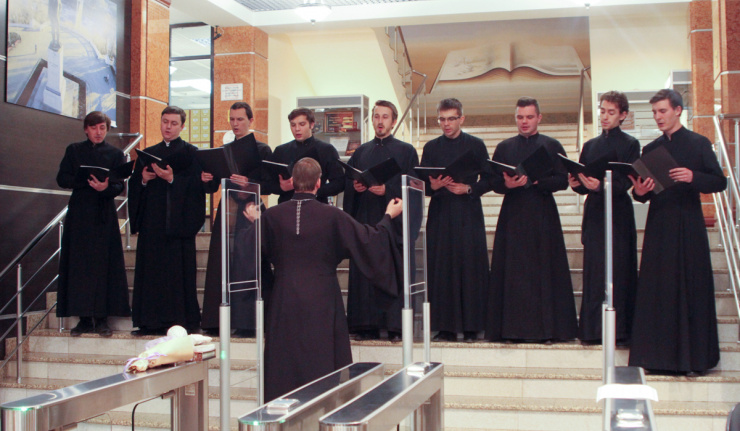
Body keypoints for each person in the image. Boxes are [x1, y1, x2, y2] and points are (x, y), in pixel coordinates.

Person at [261, 157, 402, 401]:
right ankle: (322, 408)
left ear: (292, 181)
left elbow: (249, 253)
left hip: (284, 297)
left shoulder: (271, 216)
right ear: (319, 183)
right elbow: (369, 240)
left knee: (285, 358)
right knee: (321, 356)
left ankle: (280, 411)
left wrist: (253, 221)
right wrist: (388, 216)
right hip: (322, 297)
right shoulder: (333, 215)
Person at [628, 89, 726, 375]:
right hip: (659, 224)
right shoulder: (650, 149)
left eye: (662, 111)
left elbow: (719, 182)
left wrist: (693, 176)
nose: (658, 117)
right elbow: (644, 193)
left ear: (678, 110)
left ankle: (692, 360)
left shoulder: (698, 143)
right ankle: (655, 358)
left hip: (688, 223)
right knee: (658, 288)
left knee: (689, 284)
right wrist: (639, 191)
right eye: (655, 112)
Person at [486, 97, 578, 343]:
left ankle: (547, 331)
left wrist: (538, 181)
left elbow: (563, 180)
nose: (524, 122)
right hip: (513, 214)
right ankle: (511, 330)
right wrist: (507, 184)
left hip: (542, 213)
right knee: (513, 271)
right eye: (520, 117)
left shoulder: (552, 145)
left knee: (544, 269)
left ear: (539, 117)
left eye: (529, 117)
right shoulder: (504, 147)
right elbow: (493, 181)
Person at [343, 100, 419, 342]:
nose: (380, 121)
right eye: (376, 116)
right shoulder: (361, 152)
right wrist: (355, 186)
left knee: (393, 271)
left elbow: (413, 186)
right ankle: (365, 325)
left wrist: (387, 189)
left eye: (385, 117)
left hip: (393, 221)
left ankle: (396, 327)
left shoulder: (406, 151)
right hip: (366, 219)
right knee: (365, 270)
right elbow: (349, 183)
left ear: (393, 121)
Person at [568, 91, 640, 345]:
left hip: (618, 212)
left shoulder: (631, 144)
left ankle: (620, 331)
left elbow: (627, 181)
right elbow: (583, 180)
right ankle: (592, 331)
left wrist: (602, 185)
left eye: (611, 112)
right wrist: (576, 183)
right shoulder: (590, 145)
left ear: (623, 115)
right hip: (596, 212)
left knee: (619, 268)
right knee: (594, 270)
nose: (605, 117)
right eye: (602, 111)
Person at [128, 106, 205, 336]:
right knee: (151, 273)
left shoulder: (192, 154)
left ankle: (181, 321)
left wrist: (172, 179)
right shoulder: (148, 153)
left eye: (173, 123)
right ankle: (150, 322)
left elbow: (197, 188)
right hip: (152, 225)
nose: (168, 127)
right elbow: (135, 186)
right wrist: (143, 179)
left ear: (182, 126)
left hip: (178, 226)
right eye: (165, 122)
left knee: (177, 274)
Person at [418, 98, 490, 342]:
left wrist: (468, 188)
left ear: (462, 119)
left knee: (470, 266)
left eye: (451, 119)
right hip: (441, 212)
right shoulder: (431, 147)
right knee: (442, 267)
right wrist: (433, 186)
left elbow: (490, 179)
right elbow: (421, 182)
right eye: (442, 119)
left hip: (468, 212)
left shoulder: (476, 145)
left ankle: (472, 327)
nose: (446, 124)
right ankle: (445, 327)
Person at [200, 102, 273, 337]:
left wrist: (249, 183)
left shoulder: (262, 150)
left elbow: (269, 185)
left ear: (251, 121)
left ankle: (248, 322)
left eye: (240, 119)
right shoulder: (225, 150)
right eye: (232, 119)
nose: (235, 124)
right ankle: (216, 320)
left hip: (250, 210)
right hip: (228, 210)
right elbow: (213, 185)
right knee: (221, 262)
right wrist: (206, 178)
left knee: (248, 263)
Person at [55, 111, 130, 337]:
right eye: (94, 128)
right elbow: (62, 178)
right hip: (79, 214)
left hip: (103, 213)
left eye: (102, 128)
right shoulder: (74, 150)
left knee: (104, 264)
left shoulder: (116, 154)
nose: (98, 132)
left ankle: (102, 318)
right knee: (80, 265)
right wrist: (84, 180)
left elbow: (120, 186)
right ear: (86, 129)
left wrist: (105, 187)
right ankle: (84, 319)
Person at [262, 108, 343, 204]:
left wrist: (315, 191)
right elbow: (268, 184)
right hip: (287, 206)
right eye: (293, 125)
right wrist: (282, 187)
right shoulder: (281, 151)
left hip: (316, 206)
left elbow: (339, 183)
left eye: (302, 124)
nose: (297, 129)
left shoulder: (326, 150)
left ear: (311, 125)